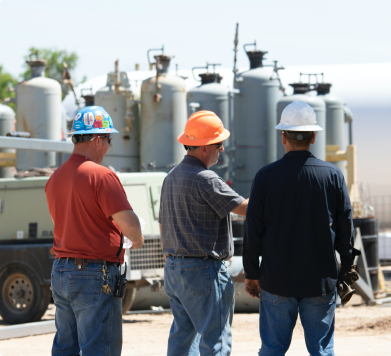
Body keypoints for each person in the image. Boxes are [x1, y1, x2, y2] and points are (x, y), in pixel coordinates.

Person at [243, 101, 360, 356]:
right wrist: (347, 265)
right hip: (320, 280)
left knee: (272, 349)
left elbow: (253, 230)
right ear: (314, 136)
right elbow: (345, 226)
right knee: (321, 350)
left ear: (283, 136)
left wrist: (252, 273)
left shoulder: (265, 177)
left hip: (276, 279)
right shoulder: (332, 175)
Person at [46, 106, 144, 356]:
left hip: (61, 270)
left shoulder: (55, 177)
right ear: (98, 140)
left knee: (65, 347)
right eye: (109, 140)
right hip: (93, 273)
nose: (109, 146)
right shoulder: (102, 176)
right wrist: (137, 239)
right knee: (100, 349)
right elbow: (130, 226)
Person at [159, 111, 248, 356]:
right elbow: (245, 209)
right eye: (219, 145)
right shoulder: (206, 178)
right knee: (215, 340)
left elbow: (162, 225)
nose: (221, 150)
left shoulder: (171, 176)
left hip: (174, 269)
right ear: (205, 147)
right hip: (203, 271)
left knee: (183, 339)